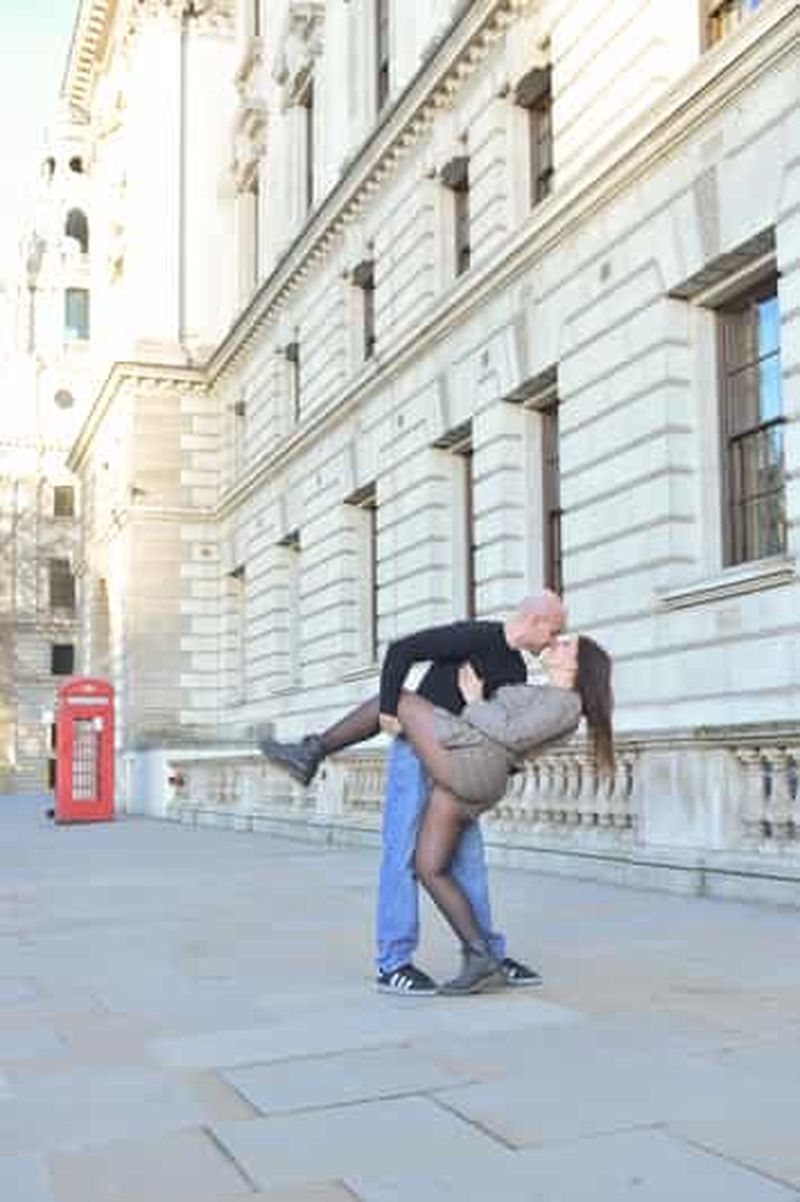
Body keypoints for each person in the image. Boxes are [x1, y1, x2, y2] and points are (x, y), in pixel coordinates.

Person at [260, 594, 565, 995]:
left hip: (461, 769)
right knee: (402, 854)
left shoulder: (516, 671)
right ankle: (394, 962)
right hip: (416, 756)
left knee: (469, 862)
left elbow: (500, 731)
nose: (554, 639)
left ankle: (487, 953)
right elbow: (402, 650)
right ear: (535, 620)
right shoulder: (474, 635)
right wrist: (389, 709)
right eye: (554, 630)